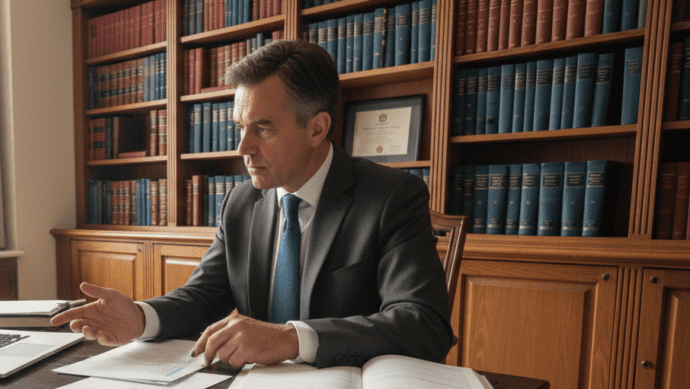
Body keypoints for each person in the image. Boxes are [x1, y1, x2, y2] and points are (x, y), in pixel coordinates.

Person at [52, 39, 454, 369]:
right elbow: (203, 296)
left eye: (263, 128)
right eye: (240, 128)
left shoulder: (391, 196)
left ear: (317, 128)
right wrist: (141, 317)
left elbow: (424, 324)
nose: (243, 148)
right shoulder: (241, 202)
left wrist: (291, 339)